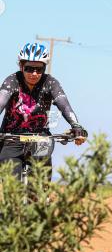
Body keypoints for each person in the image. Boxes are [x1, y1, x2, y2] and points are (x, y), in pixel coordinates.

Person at [0, 42, 88, 180]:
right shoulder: (12, 81)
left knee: (39, 188)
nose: (34, 73)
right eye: (29, 68)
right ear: (21, 66)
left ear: (44, 68)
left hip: (40, 138)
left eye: (39, 69)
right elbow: (1, 102)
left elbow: (64, 105)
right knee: (11, 188)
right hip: (11, 138)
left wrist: (76, 126)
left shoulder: (50, 83)